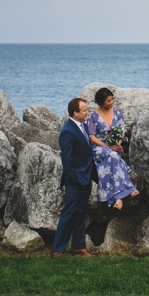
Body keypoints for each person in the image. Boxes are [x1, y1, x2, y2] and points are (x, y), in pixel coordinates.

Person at [52, 97, 94, 257]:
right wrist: (75, 179)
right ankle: (58, 249)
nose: (87, 113)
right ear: (75, 113)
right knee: (69, 212)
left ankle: (79, 246)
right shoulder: (68, 131)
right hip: (75, 180)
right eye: (84, 110)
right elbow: (67, 160)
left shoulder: (82, 126)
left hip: (85, 177)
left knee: (81, 213)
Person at [86, 87, 139, 209]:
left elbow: (122, 131)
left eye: (112, 100)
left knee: (113, 156)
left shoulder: (118, 112)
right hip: (99, 147)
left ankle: (117, 199)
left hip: (114, 147)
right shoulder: (93, 116)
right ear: (101, 101)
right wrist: (108, 147)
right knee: (113, 155)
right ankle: (127, 190)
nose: (111, 103)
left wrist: (118, 144)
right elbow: (92, 137)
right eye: (108, 101)